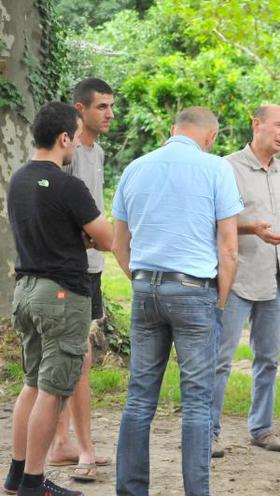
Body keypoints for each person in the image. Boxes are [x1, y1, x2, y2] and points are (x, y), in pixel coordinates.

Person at [112, 107, 243, 496]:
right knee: (198, 402)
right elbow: (229, 247)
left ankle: (131, 491)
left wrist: (141, 280)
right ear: (210, 137)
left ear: (172, 131)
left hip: (145, 287)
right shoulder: (216, 168)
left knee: (138, 399)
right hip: (194, 289)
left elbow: (120, 244)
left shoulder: (135, 168)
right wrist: (218, 302)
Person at [4, 102, 113, 496]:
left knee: (32, 384)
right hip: (61, 296)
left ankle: (16, 475)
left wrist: (76, 235)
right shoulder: (68, 185)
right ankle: (35, 483)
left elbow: (46, 227)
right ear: (64, 138)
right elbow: (108, 238)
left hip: (27, 290)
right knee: (52, 390)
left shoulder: (17, 180)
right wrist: (86, 236)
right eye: (75, 138)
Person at [211, 104, 280, 456]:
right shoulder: (226, 167)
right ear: (256, 124)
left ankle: (261, 428)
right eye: (278, 125)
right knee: (220, 357)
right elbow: (216, 221)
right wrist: (252, 229)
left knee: (269, 358)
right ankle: (208, 430)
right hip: (238, 276)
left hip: (277, 277)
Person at [47, 77, 115, 482]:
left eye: (111, 107)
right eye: (102, 107)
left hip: (93, 268)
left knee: (73, 359)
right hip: (67, 269)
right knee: (78, 360)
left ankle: (61, 445)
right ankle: (84, 449)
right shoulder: (66, 152)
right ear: (80, 109)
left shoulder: (98, 151)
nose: (109, 114)